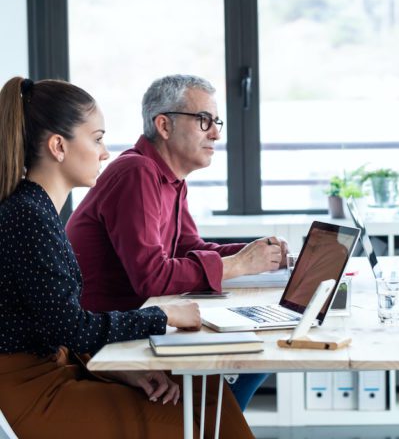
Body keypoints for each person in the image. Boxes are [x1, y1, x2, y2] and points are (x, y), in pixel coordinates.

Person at [0, 76, 252, 438]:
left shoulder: (37, 211)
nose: (105, 152)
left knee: (209, 394)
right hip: (33, 390)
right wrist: (159, 317)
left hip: (62, 365)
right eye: (97, 138)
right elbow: (72, 326)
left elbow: (60, 327)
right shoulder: (28, 216)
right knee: (191, 426)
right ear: (58, 146)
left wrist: (116, 369)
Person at [65, 74, 280, 410]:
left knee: (255, 354)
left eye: (216, 122)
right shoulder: (137, 172)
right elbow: (152, 276)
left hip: (137, 325)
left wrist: (256, 253)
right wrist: (238, 265)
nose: (217, 134)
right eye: (204, 120)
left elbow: (189, 248)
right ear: (163, 125)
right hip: (105, 339)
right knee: (249, 357)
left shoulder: (170, 179)